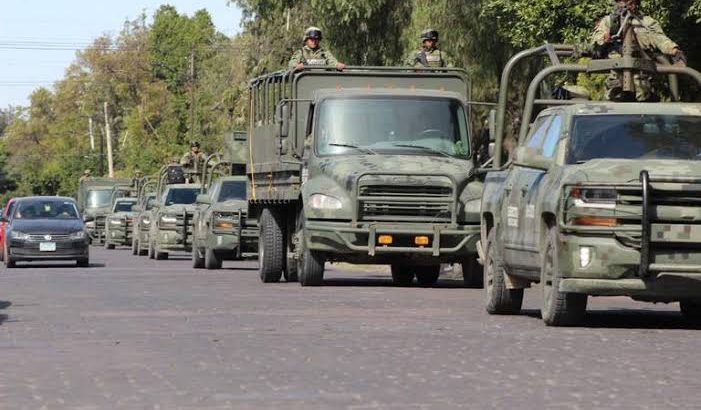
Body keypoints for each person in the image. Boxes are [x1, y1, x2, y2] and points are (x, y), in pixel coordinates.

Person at [591, 0, 687, 101]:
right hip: (616, 83)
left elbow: (661, 39)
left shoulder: (647, 22)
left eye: (631, 2)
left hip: (641, 82)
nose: (626, 5)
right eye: (622, 1)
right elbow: (595, 45)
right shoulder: (608, 22)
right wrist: (604, 40)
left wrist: (675, 51)